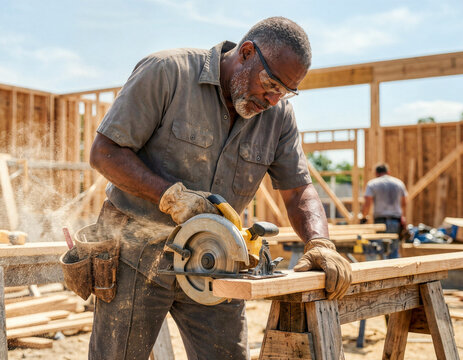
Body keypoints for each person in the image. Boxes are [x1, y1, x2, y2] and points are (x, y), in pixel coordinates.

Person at [87, 17, 352, 359]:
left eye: (285, 91)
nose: (272, 99)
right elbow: (105, 152)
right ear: (245, 53)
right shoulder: (168, 72)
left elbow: (298, 190)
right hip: (136, 254)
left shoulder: (279, 116)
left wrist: (319, 241)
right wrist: (170, 196)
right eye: (270, 84)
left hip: (217, 259)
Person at [360, 163, 408, 259]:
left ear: (376, 173)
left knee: (380, 249)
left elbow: (367, 203)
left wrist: (364, 217)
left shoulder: (373, 184)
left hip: (380, 222)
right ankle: (395, 273)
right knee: (393, 250)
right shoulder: (399, 183)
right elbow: (404, 203)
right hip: (396, 221)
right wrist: (402, 216)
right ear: (388, 172)